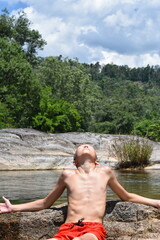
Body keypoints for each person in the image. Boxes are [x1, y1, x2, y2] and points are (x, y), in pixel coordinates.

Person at [0, 144, 160, 240]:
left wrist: (156, 202)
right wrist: (13, 208)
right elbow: (45, 202)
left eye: (89, 147)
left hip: (93, 228)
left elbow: (126, 196)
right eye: (81, 147)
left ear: (97, 160)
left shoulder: (105, 172)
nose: (85, 146)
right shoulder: (67, 174)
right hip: (67, 227)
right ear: (74, 161)